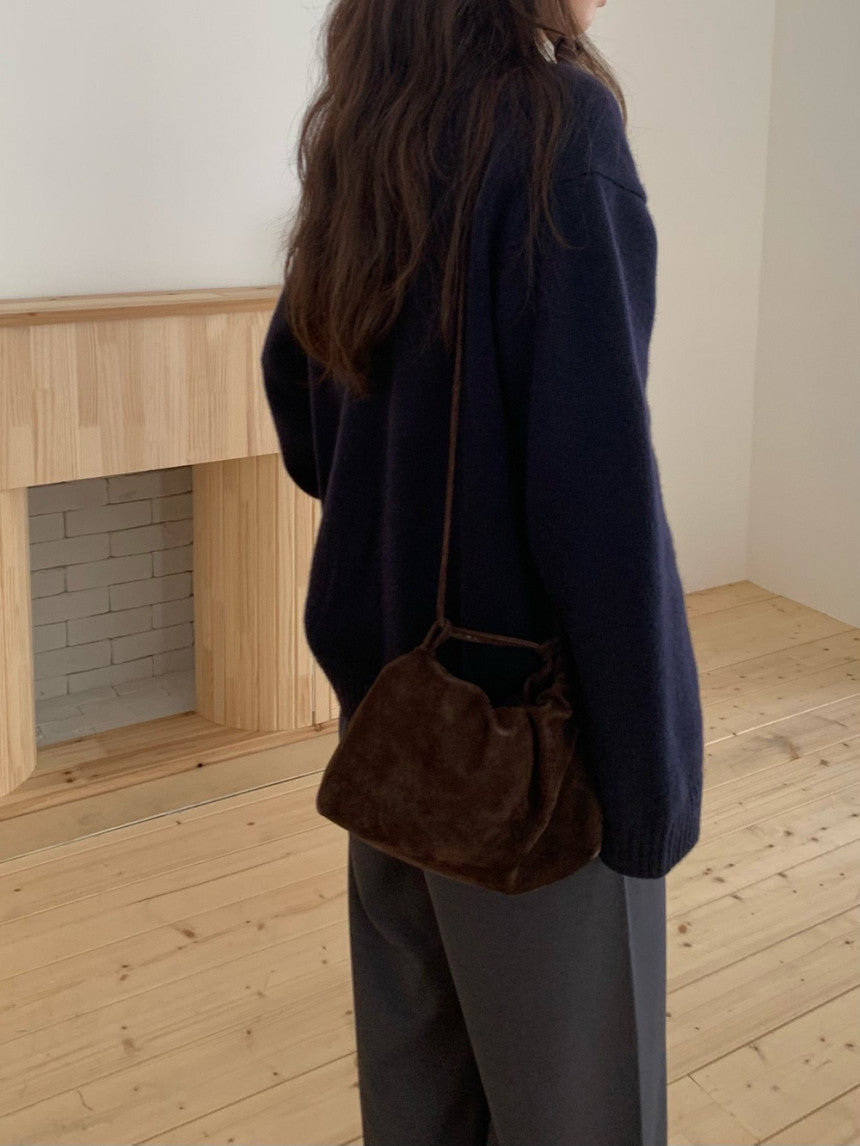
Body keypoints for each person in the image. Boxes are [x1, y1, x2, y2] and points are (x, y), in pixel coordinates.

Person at [260, 1, 704, 1142]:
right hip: (534, 750)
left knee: (419, 1100)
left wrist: (395, 518)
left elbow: (300, 405)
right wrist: (648, 787)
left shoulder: (366, 130)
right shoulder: (559, 130)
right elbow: (598, 493)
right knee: (581, 1112)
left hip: (391, 722)